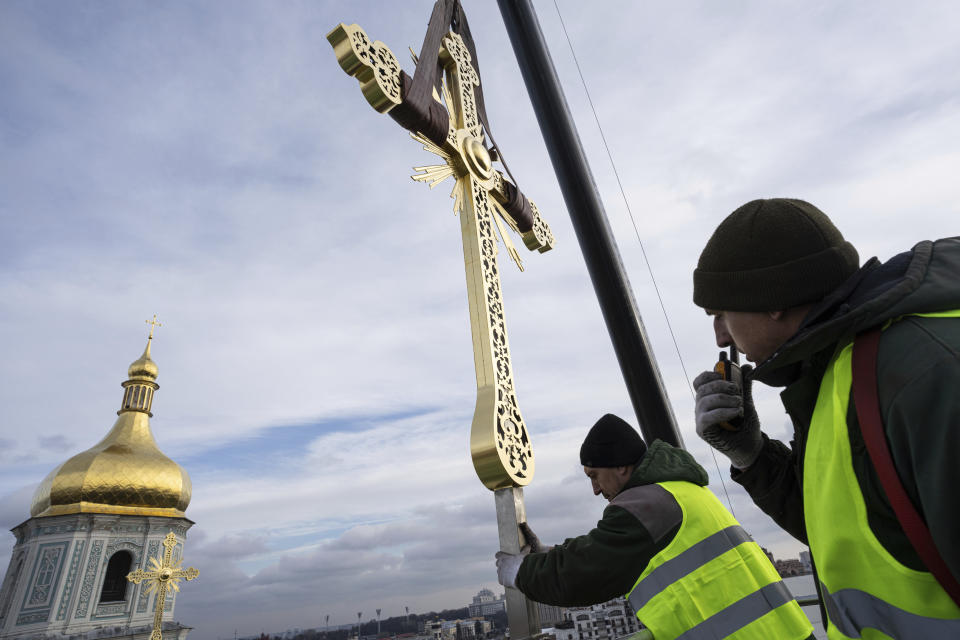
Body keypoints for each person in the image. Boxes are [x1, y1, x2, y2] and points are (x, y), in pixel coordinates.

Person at [692, 197, 960, 638]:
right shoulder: (840, 373)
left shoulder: (922, 373)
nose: (722, 335)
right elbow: (859, 531)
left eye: (721, 313)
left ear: (772, 299)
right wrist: (752, 455)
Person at [494, 413, 813, 640]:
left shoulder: (647, 505)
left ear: (621, 466)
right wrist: (548, 552)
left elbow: (584, 572)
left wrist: (520, 573)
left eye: (594, 475)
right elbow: (618, 550)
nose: (594, 489)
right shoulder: (681, 491)